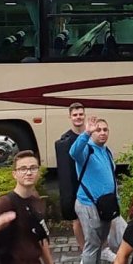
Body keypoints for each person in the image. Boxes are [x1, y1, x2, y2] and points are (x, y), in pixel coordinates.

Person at [70, 116, 117, 264]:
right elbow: (73, 152)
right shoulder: (86, 150)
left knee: (99, 240)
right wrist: (86, 133)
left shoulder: (105, 151)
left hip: (105, 205)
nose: (102, 133)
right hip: (88, 203)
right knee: (92, 242)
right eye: (99, 130)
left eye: (105, 129)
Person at [55, 102, 88, 253]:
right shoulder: (65, 141)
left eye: (81, 114)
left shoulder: (91, 135)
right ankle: (83, 252)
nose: (78, 117)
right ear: (70, 117)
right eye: (75, 115)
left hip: (90, 183)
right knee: (78, 221)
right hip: (75, 185)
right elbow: (64, 172)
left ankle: (99, 249)